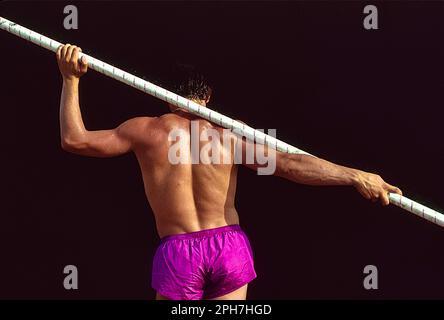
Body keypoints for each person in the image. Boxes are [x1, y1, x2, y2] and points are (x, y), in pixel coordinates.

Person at [56, 44, 402, 300]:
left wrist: (70, 79)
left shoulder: (143, 130)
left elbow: (75, 140)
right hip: (228, 247)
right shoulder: (230, 133)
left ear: (161, 93)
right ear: (207, 96)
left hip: (178, 251)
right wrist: (355, 174)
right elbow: (289, 165)